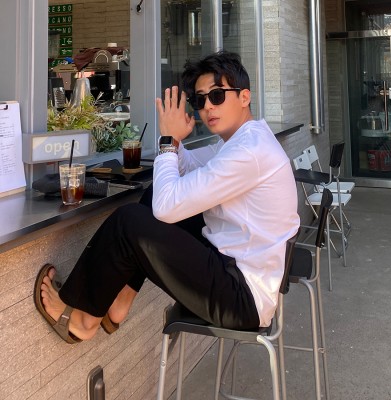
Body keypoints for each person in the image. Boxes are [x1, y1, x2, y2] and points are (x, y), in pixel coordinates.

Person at [34, 50, 300, 344]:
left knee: (129, 221)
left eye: (217, 96)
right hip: (234, 271)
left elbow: (166, 208)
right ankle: (119, 302)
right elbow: (189, 169)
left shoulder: (249, 151)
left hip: (241, 297)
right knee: (151, 198)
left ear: (244, 97)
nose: (208, 107)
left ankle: (83, 321)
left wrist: (167, 142)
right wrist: (176, 141)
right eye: (200, 100)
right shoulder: (241, 141)